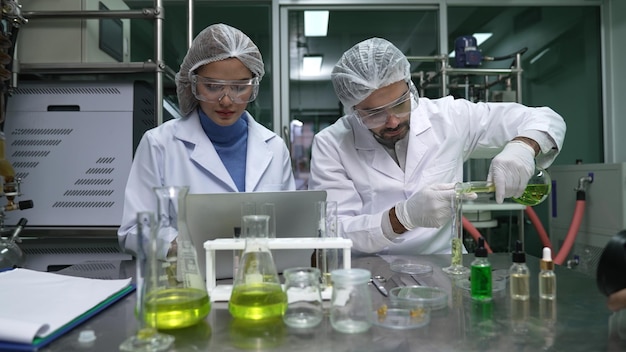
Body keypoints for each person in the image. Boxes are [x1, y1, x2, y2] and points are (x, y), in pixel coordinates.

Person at [308, 37, 566, 256]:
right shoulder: (332, 144)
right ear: (353, 110)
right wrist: (401, 217)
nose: (393, 120)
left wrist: (523, 147)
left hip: (445, 265)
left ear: (410, 88)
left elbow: (546, 118)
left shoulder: (449, 117)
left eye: (400, 103)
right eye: (374, 114)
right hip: (372, 271)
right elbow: (333, 231)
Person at [118, 23, 295, 256]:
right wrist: (180, 248)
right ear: (192, 85)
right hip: (189, 280)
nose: (226, 101)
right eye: (212, 87)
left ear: (254, 88)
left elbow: (290, 225)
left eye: (240, 87)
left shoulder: (274, 146)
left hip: (258, 277)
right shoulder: (159, 144)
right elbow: (133, 231)